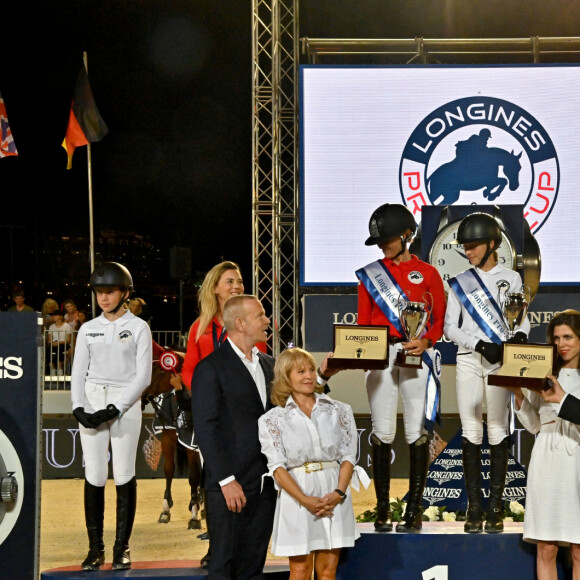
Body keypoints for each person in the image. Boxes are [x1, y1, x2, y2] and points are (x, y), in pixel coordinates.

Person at [356, 203, 446, 533]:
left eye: (388, 239)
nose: (383, 246)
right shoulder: (369, 276)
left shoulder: (430, 274)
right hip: (381, 356)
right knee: (382, 430)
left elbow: (438, 321)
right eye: (379, 241)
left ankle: (414, 510)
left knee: (415, 431)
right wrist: (363, 355)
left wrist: (426, 342)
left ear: (407, 235)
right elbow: (364, 323)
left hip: (415, 355)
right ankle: (382, 510)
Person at [444, 212, 530, 534]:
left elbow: (521, 318)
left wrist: (520, 334)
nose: (468, 252)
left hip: (499, 361)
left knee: (496, 427)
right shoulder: (459, 282)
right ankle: (474, 508)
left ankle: (495, 507)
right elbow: (450, 327)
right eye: (465, 247)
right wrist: (479, 344)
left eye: (474, 246)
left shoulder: (513, 278)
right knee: (471, 427)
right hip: (469, 358)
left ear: (492, 243)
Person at [258, 347, 368, 580]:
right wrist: (305, 500)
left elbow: (348, 457)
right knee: (300, 571)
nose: (309, 376)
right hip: (297, 497)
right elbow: (276, 468)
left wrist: (338, 493)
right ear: (285, 378)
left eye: (310, 369)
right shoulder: (271, 420)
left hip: (334, 494)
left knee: (328, 572)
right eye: (300, 371)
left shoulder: (340, 410)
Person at [70, 262, 152, 571]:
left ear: (125, 293)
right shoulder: (88, 328)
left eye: (110, 292)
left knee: (123, 472)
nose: (104, 298)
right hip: (91, 403)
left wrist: (116, 407)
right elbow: (78, 373)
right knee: (93, 474)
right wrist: (79, 407)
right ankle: (95, 549)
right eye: (99, 292)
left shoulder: (139, 328)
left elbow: (143, 377)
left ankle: (122, 548)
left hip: (125, 407)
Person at [191, 294, 277, 580]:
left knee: (253, 568)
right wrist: (226, 481)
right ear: (240, 324)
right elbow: (205, 430)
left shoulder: (270, 365)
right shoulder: (210, 368)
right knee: (223, 567)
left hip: (264, 486)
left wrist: (324, 376)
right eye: (261, 315)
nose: (268, 320)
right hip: (228, 487)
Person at [181, 260, 260, 566]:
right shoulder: (199, 328)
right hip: (213, 417)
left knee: (246, 480)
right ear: (215, 288)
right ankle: (216, 546)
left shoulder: (251, 322)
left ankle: (243, 543)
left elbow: (259, 364)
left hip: (242, 417)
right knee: (214, 480)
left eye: (239, 281)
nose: (236, 286)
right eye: (229, 282)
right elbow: (189, 370)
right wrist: (206, 393)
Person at [509, 310, 580, 579]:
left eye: (568, 337)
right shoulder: (544, 372)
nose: (561, 344)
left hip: (576, 459)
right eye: (556, 338)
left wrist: (562, 399)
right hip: (547, 460)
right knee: (546, 548)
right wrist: (517, 392)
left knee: (578, 549)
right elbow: (534, 425)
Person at [47, 310, 72, 375]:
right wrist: (51, 342)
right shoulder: (51, 326)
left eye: (55, 315)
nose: (53, 317)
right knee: (48, 350)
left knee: (59, 349)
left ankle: (59, 368)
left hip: (63, 344)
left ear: (60, 316)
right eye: (52, 316)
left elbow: (68, 340)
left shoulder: (67, 326)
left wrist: (59, 342)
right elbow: (49, 339)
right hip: (54, 344)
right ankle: (52, 369)